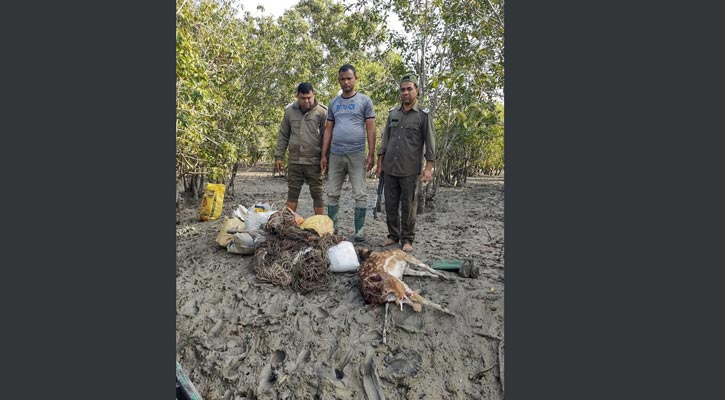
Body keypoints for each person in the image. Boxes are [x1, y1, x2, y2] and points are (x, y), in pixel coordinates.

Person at [376, 74, 436, 252]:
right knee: (391, 204)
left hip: (410, 169)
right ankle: (393, 236)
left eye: (409, 89)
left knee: (409, 206)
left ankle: (407, 239)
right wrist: (380, 164)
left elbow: (430, 143)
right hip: (390, 168)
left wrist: (428, 168)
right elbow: (385, 139)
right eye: (403, 89)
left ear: (416, 91)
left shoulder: (423, 116)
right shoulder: (393, 113)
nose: (406, 92)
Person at [320, 64, 376, 240]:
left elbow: (371, 128)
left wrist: (371, 153)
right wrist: (323, 154)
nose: (346, 82)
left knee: (359, 192)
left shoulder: (364, 101)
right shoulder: (334, 103)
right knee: (332, 192)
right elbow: (328, 129)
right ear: (339, 81)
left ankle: (359, 230)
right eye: (343, 79)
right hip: (336, 154)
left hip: (357, 153)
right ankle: (333, 228)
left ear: (355, 79)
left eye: (349, 78)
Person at [274, 82, 328, 215]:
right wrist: (278, 156)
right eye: (303, 98)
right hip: (295, 161)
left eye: (309, 97)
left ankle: (320, 224)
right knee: (292, 193)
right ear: (297, 96)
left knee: (317, 193)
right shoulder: (289, 112)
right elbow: (283, 135)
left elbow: (327, 137)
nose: (307, 101)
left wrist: (325, 157)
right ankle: (287, 223)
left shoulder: (322, 112)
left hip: (314, 161)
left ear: (313, 95)